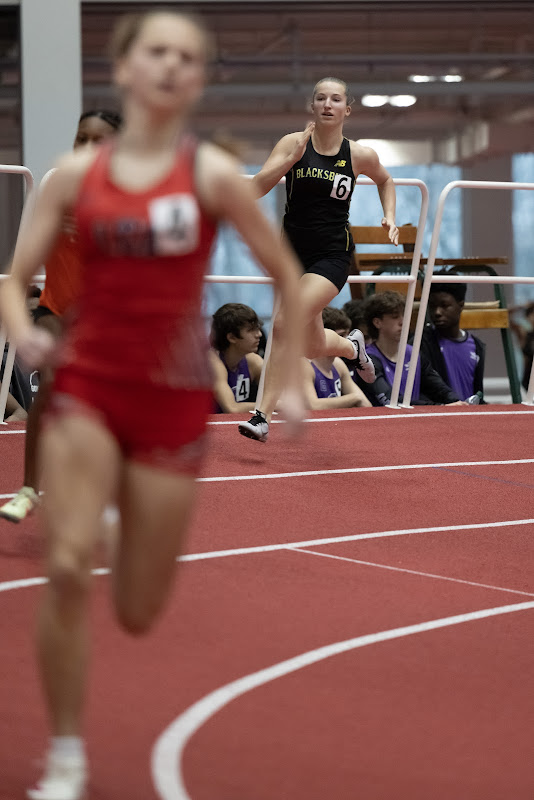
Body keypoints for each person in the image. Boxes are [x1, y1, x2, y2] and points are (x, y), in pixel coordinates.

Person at [0, 11, 302, 800]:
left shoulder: (209, 175)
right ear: (126, 67)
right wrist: (21, 333)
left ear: (197, 79)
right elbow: (12, 276)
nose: (169, 66)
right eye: (154, 51)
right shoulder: (73, 179)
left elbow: (287, 277)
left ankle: (123, 514)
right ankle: (65, 756)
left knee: (135, 609)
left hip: (169, 402)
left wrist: (294, 373)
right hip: (89, 385)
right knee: (65, 568)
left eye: (187, 56)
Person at [237, 76, 399, 442]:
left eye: (335, 99)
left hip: (331, 256)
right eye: (321, 98)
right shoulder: (293, 143)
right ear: (312, 106)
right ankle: (351, 346)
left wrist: (389, 214)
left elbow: (385, 180)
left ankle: (262, 415)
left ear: (346, 109)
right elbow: (256, 188)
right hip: (291, 257)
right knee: (309, 345)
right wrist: (289, 161)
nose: (328, 104)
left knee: (282, 323)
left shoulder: (358, 154)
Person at [0, 110, 123, 524]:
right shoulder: (59, 190)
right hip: (57, 311)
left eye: (98, 141)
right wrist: (20, 327)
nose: (86, 149)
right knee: (50, 387)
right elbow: (18, 272)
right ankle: (29, 489)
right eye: (80, 138)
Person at [360, 291, 463, 406]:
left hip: (412, 420)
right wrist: (441, 407)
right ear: (377, 322)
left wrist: (456, 401)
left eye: (404, 316)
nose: (403, 322)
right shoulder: (366, 360)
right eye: (395, 317)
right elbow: (391, 401)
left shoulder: (413, 354)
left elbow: (439, 389)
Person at [422, 277, 486, 401]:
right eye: (432, 306)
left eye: (444, 306)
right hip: (437, 415)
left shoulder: (477, 346)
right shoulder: (421, 343)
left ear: (461, 305)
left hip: (468, 415)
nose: (437, 312)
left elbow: (477, 393)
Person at [302, 306, 371, 409]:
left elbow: (366, 405)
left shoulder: (338, 364)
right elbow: (313, 406)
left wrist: (355, 398)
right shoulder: (303, 365)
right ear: (323, 337)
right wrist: (353, 398)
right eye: (342, 336)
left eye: (348, 335)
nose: (348, 341)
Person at [209, 302, 263, 413]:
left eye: (257, 329)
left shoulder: (254, 362)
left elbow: (284, 397)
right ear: (232, 337)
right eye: (251, 330)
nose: (259, 334)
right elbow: (232, 408)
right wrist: (274, 405)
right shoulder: (212, 362)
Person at [509, 301, 534, 391]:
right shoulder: (524, 333)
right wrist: (522, 306)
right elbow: (505, 315)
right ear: (527, 317)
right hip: (528, 379)